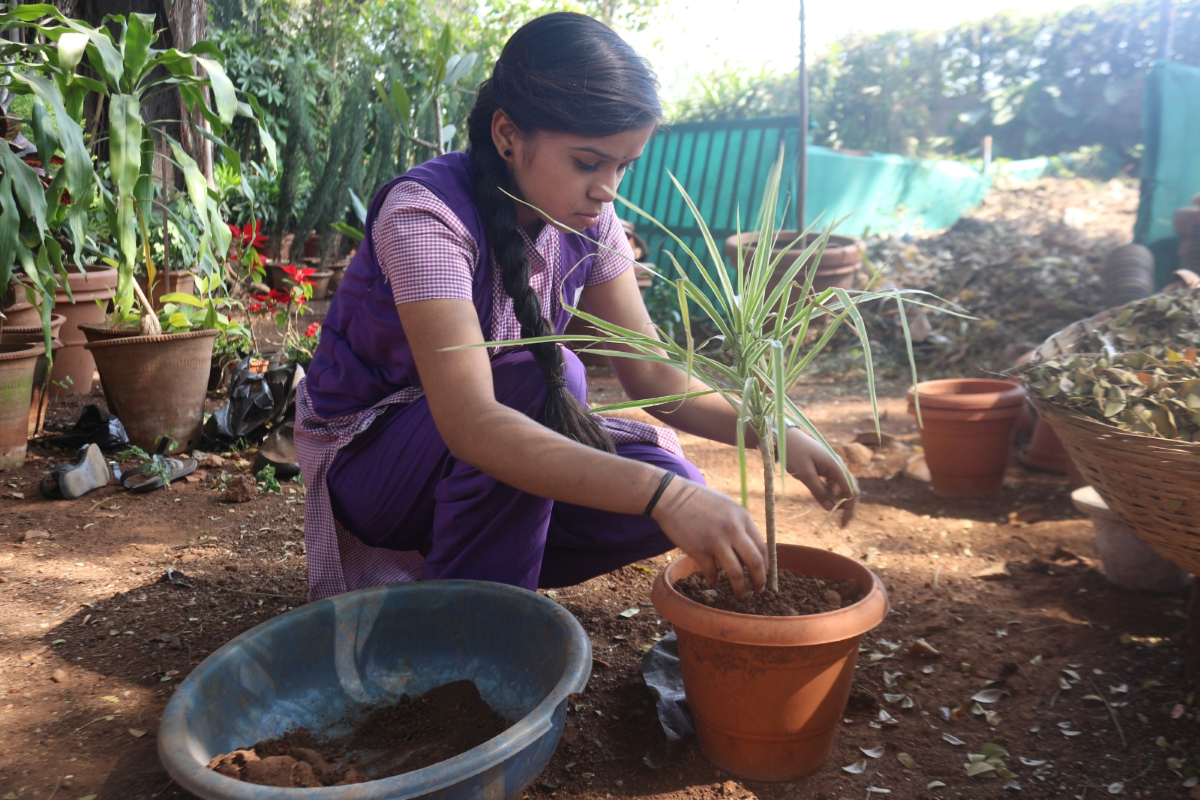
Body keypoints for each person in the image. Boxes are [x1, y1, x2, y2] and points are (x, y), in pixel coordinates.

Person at [294, 12, 855, 603]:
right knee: (542, 385)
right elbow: (472, 422)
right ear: (508, 134)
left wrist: (776, 434)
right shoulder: (426, 216)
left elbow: (657, 375)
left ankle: (477, 572)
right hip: (369, 463)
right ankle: (472, 627)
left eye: (622, 166)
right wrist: (668, 501)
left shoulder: (593, 219)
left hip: (473, 454)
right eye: (588, 163)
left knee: (672, 480)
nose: (607, 188)